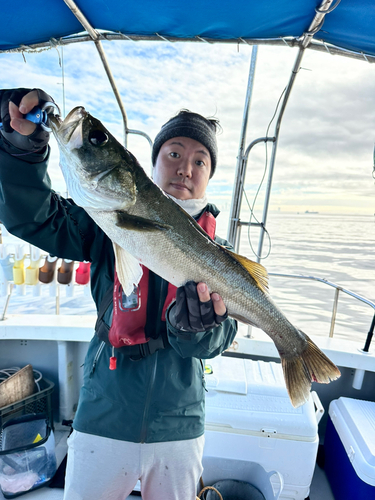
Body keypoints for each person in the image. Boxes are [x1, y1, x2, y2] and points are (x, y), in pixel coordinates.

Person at [0, 88, 238, 500]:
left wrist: (196, 329)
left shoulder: (222, 257)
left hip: (179, 418)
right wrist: (22, 152)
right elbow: (35, 217)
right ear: (151, 163)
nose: (185, 168)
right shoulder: (103, 223)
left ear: (210, 175)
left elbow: (223, 334)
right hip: (104, 409)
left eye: (200, 160)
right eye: (175, 153)